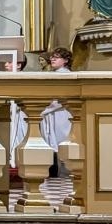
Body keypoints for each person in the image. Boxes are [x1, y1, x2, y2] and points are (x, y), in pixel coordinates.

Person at [43, 47, 73, 177]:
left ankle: (66, 172)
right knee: (52, 142)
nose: (52, 59)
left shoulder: (67, 75)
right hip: (51, 113)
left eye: (57, 57)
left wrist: (45, 108)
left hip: (62, 113)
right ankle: (55, 172)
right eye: (52, 57)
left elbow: (63, 97)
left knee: (62, 141)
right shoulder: (53, 74)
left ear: (66, 60)